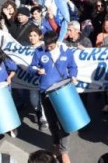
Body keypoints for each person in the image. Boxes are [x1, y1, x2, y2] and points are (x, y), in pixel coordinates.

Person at [30, 30, 78, 162]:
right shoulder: (39, 51)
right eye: (46, 45)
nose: (48, 47)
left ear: (56, 42)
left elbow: (73, 67)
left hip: (62, 91)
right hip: (45, 92)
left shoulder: (66, 51)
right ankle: (56, 144)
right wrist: (37, 71)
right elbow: (31, 67)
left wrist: (73, 76)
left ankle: (64, 151)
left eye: (51, 45)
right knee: (52, 122)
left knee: (64, 122)